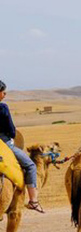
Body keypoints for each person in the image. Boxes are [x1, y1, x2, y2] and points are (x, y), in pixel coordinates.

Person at [0, 80, 44, 213]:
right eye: (3, 92)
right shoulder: (3, 108)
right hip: (4, 144)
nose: (5, 94)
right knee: (30, 166)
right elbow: (12, 131)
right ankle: (33, 201)